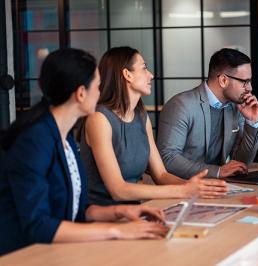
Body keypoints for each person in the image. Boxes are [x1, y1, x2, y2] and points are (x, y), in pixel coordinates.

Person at [0, 48, 168, 256]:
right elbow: (39, 225)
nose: (100, 92)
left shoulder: (65, 137)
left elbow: (77, 211)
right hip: (26, 255)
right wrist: (117, 230)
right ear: (80, 93)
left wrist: (122, 211)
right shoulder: (34, 141)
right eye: (97, 86)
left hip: (61, 250)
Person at [81, 47, 227, 206]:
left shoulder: (142, 117)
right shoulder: (99, 119)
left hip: (136, 210)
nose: (151, 75)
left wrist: (197, 187)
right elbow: (118, 190)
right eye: (144, 68)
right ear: (127, 74)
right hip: (102, 216)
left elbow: (161, 175)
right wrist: (182, 191)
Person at [157, 48, 258, 179]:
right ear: (223, 80)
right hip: (183, 187)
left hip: (219, 187)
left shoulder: (236, 107)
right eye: (244, 82)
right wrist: (217, 171)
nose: (250, 88)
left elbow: (241, 163)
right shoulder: (181, 105)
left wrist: (252, 122)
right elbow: (168, 158)